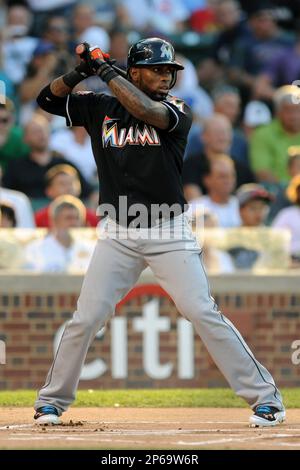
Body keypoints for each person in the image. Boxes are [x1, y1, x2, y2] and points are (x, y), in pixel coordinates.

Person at [33, 37, 285, 427]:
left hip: (168, 229)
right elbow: (47, 101)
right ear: (135, 71)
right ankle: (52, 401)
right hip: (117, 232)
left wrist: (104, 70)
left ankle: (265, 397)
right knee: (87, 317)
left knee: (201, 310)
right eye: (157, 69)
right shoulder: (100, 106)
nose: (166, 76)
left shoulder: (176, 108)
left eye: (169, 70)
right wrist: (82, 69)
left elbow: (147, 110)